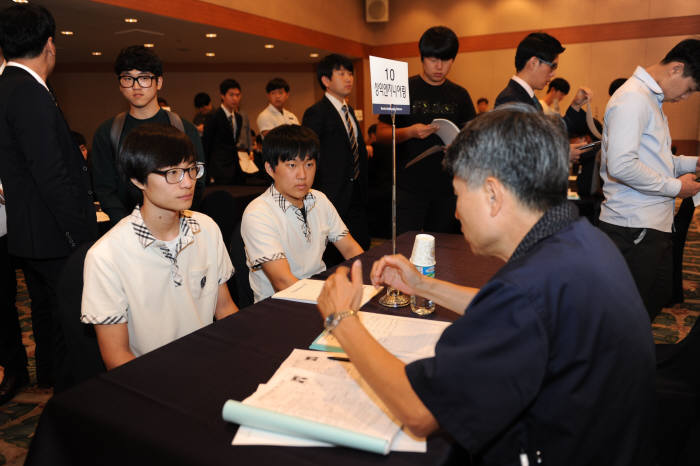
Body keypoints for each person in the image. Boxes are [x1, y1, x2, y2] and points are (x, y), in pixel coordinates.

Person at [316, 105, 655, 465]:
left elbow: (418, 411)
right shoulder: (581, 240)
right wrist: (424, 286)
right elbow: (518, 311)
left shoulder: (526, 291)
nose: (456, 211)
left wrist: (343, 318)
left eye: (460, 194)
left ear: (493, 194)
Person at [81, 124, 238, 370]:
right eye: (172, 173)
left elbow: (225, 308)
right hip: (151, 378)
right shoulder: (106, 256)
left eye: (190, 170)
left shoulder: (206, 228)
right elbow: (116, 357)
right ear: (137, 179)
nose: (187, 183)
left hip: (211, 363)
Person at [0, 3, 98, 394]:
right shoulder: (27, 92)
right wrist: (79, 235)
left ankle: (57, 385)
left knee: (50, 317)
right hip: (54, 234)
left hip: (32, 233)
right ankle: (73, 399)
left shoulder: (11, 85)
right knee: (70, 322)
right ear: (50, 45)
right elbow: (51, 173)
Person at [599, 38, 700, 321]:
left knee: (650, 301)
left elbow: (657, 161)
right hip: (633, 225)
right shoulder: (633, 98)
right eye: (690, 89)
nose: (685, 98)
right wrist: (677, 187)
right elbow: (621, 165)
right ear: (676, 69)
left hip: (649, 223)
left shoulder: (648, 99)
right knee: (626, 314)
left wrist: (694, 163)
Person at [241, 125, 363, 302]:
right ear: (270, 169)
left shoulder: (319, 199)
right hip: (279, 306)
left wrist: (365, 281)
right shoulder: (258, 213)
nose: (302, 175)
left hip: (320, 294)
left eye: (309, 164)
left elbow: (351, 248)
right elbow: (282, 282)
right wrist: (332, 301)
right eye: (292, 165)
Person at [376, 26, 476, 234]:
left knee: (445, 251)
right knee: (406, 246)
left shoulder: (460, 95)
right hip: (409, 186)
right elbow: (381, 134)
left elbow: (473, 141)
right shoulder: (402, 88)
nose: (439, 66)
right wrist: (410, 132)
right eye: (433, 60)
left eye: (446, 60)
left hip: (447, 187)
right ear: (422, 58)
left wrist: (459, 147)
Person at [91, 45, 205, 227]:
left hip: (175, 223)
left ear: (158, 82)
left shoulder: (183, 128)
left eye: (144, 78)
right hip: (124, 226)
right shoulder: (108, 132)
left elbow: (197, 182)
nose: (136, 86)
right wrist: (130, 226)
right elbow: (104, 189)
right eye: (128, 79)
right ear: (120, 84)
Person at [303, 54, 370, 253]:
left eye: (350, 73)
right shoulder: (316, 112)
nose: (348, 78)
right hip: (331, 193)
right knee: (333, 252)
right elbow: (310, 154)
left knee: (360, 247)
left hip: (356, 193)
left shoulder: (348, 110)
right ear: (326, 80)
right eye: (341, 73)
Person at [494, 32, 591, 161]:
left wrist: (575, 105)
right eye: (552, 67)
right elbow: (514, 155)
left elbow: (550, 135)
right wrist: (560, 155)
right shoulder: (510, 99)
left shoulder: (527, 98)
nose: (553, 74)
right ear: (533, 62)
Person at [202, 78, 253, 184]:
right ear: (222, 96)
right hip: (217, 167)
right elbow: (207, 145)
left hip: (235, 166)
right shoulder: (213, 117)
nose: (235, 98)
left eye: (238, 95)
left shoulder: (239, 117)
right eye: (231, 95)